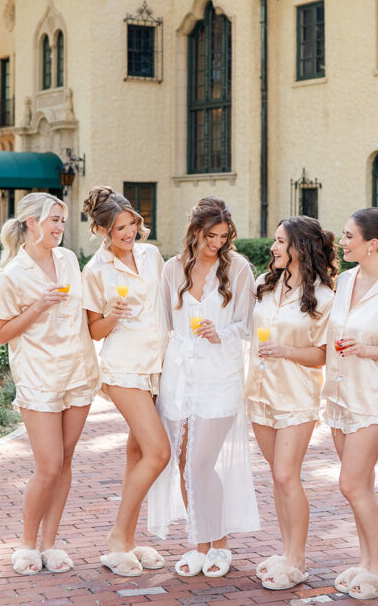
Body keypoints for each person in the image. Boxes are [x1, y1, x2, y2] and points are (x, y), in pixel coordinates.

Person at [147, 196, 259, 578]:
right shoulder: (172, 269)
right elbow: (163, 325)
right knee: (183, 463)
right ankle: (199, 544)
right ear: (195, 231)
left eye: (224, 236)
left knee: (200, 464)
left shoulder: (238, 268)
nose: (217, 243)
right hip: (179, 379)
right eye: (211, 235)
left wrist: (220, 332)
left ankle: (220, 544)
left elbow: (248, 325)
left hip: (220, 377)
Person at [0, 192, 100, 576]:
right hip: (39, 378)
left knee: (65, 461)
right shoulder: (11, 275)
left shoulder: (68, 259)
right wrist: (37, 306)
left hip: (78, 373)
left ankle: (50, 544)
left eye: (62, 220)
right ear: (32, 222)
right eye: (54, 219)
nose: (60, 227)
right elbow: (2, 333)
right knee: (49, 466)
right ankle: (26, 544)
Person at [321, 207, 378, 600]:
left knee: (351, 484)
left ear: (372, 244)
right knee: (363, 487)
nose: (341, 242)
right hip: (339, 395)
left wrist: (368, 349)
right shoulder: (345, 280)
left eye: (348, 236)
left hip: (372, 399)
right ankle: (366, 563)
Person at [80, 186, 169, 577]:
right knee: (159, 453)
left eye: (132, 224)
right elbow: (93, 331)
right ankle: (117, 538)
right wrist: (112, 315)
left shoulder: (151, 255)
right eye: (120, 228)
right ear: (103, 231)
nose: (129, 233)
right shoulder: (95, 270)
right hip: (124, 369)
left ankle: (129, 541)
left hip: (158, 366)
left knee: (137, 454)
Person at [247, 216, 338, 590]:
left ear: (301, 247)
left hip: (296, 395)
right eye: (274, 240)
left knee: (287, 475)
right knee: (277, 475)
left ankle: (297, 560)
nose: (273, 247)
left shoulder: (324, 297)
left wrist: (285, 350)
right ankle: (286, 553)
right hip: (258, 391)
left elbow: (324, 355)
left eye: (281, 241)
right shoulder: (265, 284)